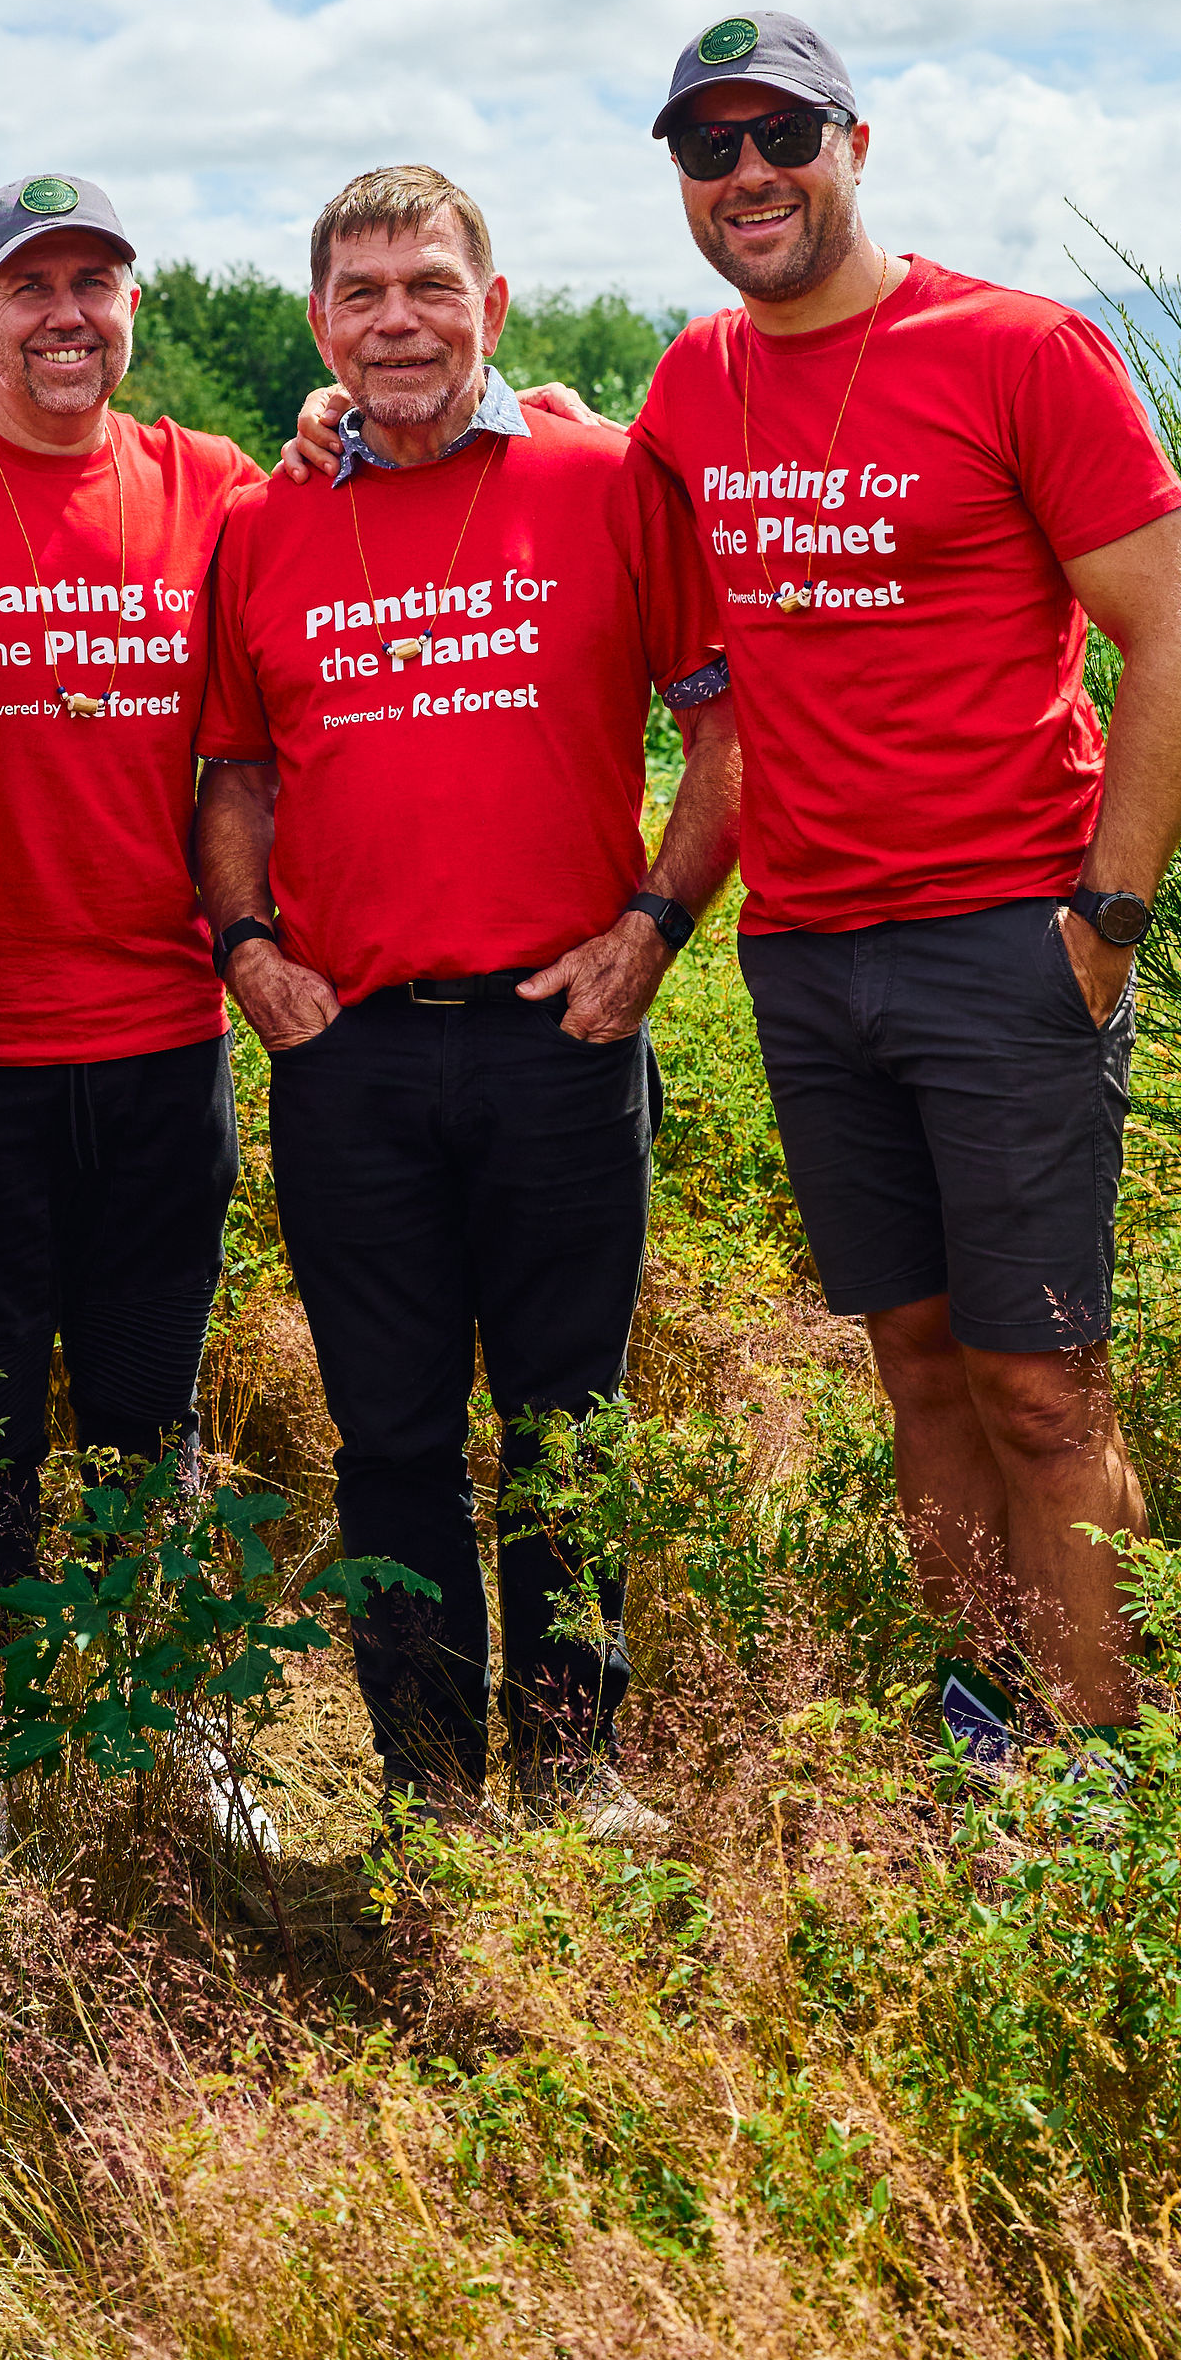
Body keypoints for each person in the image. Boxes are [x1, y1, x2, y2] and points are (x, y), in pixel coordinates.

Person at [627, 10, 1181, 1752]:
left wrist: (1103, 928)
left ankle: (1104, 1784)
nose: (748, 175)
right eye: (707, 148)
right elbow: (585, 482)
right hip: (810, 957)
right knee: (915, 1367)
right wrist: (343, 424)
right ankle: (989, 1744)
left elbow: (1179, 641)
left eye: (779, 136)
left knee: (1041, 1386)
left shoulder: (1018, 351)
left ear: (855, 143)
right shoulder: (691, 383)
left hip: (1002, 949)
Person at [196, 163, 738, 1816]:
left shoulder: (602, 479)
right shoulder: (263, 522)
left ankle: (579, 1767)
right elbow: (232, 773)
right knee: (392, 1437)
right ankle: (430, 1784)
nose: (397, 321)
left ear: (491, 307)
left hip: (558, 1038)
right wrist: (246, 951)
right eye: (361, 295)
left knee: (571, 1421)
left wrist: (653, 927)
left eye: (428, 285)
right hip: (350, 1054)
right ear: (320, 326)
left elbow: (725, 727)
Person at [0, 173, 262, 1861]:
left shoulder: (208, 484)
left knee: (151, 1412)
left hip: (162, 1033)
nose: (64, 315)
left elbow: (369, 506)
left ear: (134, 307)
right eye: (26, 285)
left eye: (94, 282)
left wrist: (520, 404)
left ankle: (187, 1728)